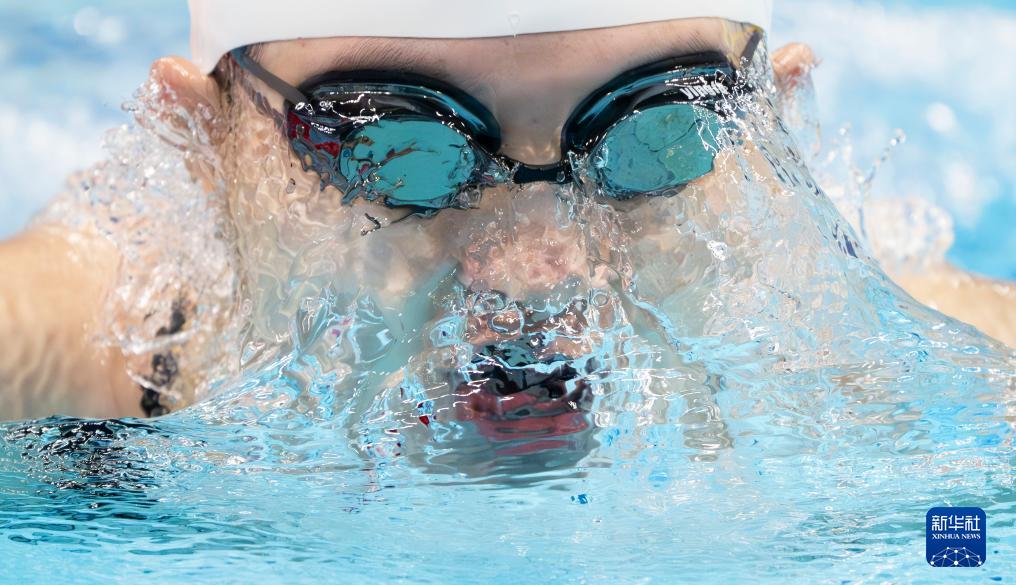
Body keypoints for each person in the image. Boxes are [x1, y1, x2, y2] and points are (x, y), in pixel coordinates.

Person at [0, 0, 1011, 425]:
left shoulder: (898, 374)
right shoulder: (84, 350)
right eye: (400, 150)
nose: (539, 271)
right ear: (205, 140)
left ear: (768, 130)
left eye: (656, 138)